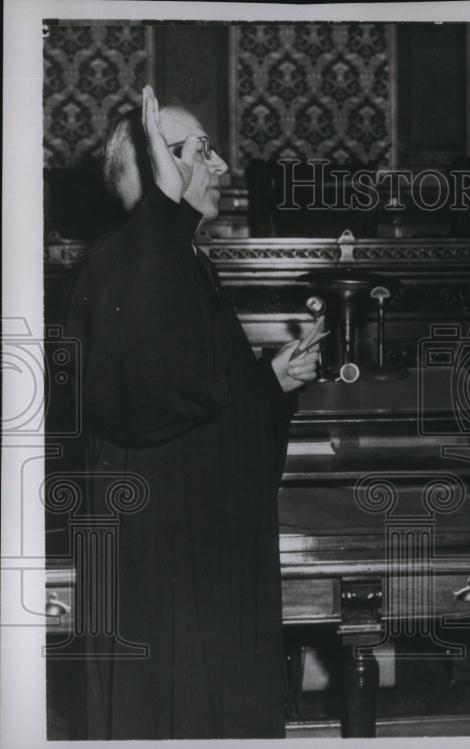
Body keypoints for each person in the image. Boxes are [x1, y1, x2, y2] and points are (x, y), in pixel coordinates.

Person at [63, 86, 320, 739]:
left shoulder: (180, 262)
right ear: (158, 169)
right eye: (198, 152)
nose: (222, 166)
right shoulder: (122, 260)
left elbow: (198, 402)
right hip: (159, 576)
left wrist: (267, 381)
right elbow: (144, 400)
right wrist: (164, 208)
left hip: (204, 566)